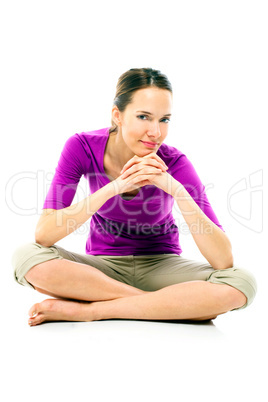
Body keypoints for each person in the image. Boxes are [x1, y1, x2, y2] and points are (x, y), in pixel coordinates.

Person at [12, 67, 257, 326]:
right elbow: (44, 234)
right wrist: (115, 187)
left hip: (162, 266)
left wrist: (177, 191)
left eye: (164, 120)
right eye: (144, 116)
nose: (156, 132)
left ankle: (92, 310)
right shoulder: (81, 147)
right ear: (118, 115)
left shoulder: (174, 162)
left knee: (241, 283)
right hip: (101, 269)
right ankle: (166, 306)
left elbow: (223, 260)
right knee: (26, 257)